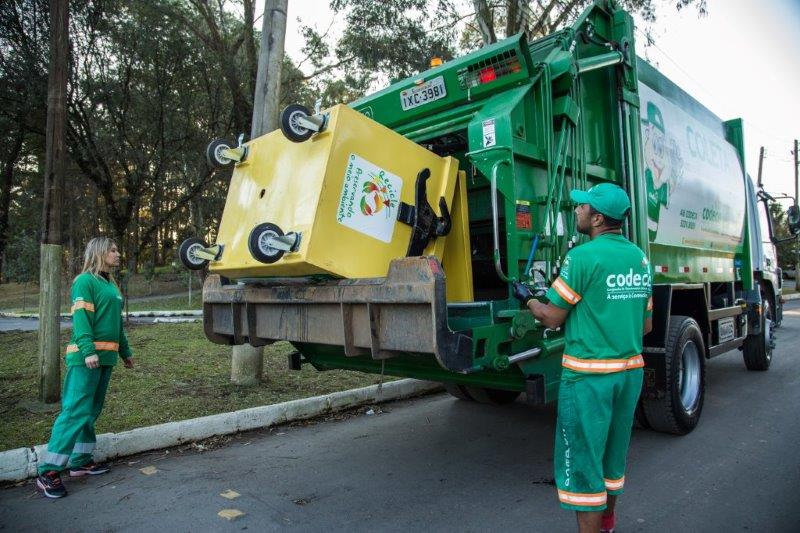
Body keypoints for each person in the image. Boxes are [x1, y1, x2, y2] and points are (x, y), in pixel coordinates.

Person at [513, 183, 653, 533]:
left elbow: (552, 317)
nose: (576, 211)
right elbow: (646, 324)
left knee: (584, 468)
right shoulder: (639, 257)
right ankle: (608, 526)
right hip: (629, 374)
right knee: (611, 458)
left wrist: (527, 299)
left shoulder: (583, 257)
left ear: (598, 217)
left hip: (589, 377)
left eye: (582, 207)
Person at [36, 237, 134, 498]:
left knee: (91, 410)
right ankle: (48, 471)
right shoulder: (84, 281)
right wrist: (89, 351)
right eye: (112, 250)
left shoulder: (110, 284)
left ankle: (81, 462)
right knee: (75, 411)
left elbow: (116, 324)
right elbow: (81, 320)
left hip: (107, 358)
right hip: (86, 358)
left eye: (117, 248)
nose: (117, 253)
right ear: (100, 253)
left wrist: (126, 353)